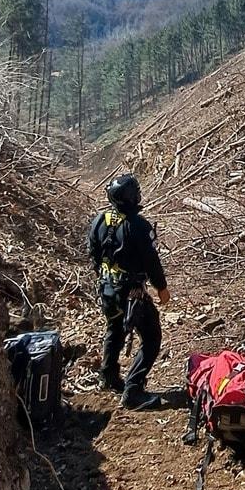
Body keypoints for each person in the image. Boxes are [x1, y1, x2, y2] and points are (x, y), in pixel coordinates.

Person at [86, 173, 170, 411]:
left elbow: (93, 253)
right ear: (132, 197)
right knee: (152, 338)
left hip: (107, 289)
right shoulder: (138, 226)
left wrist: (106, 277)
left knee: (114, 328)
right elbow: (151, 261)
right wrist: (161, 288)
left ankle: (108, 376)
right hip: (132, 292)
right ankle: (133, 391)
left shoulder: (100, 219)